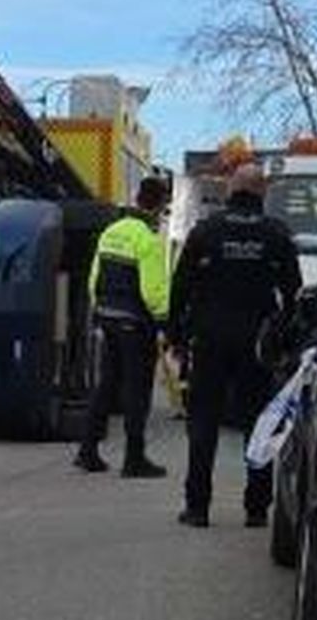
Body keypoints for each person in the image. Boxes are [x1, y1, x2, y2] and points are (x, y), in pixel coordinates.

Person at [168, 163, 300, 529]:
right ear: (262, 194)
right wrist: (289, 341)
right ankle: (256, 508)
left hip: (209, 339)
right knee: (259, 425)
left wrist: (175, 334)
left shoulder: (206, 232)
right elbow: (293, 293)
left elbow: (180, 286)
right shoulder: (276, 235)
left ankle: (197, 508)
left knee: (204, 423)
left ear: (231, 191)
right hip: (257, 344)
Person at [75, 175, 172, 478]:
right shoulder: (148, 238)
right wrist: (165, 320)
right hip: (135, 323)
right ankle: (134, 459)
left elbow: (94, 278)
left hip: (108, 316)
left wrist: (101, 309)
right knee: (137, 390)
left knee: (106, 385)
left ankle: (87, 450)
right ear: (159, 205)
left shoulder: (111, 231)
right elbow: (153, 292)